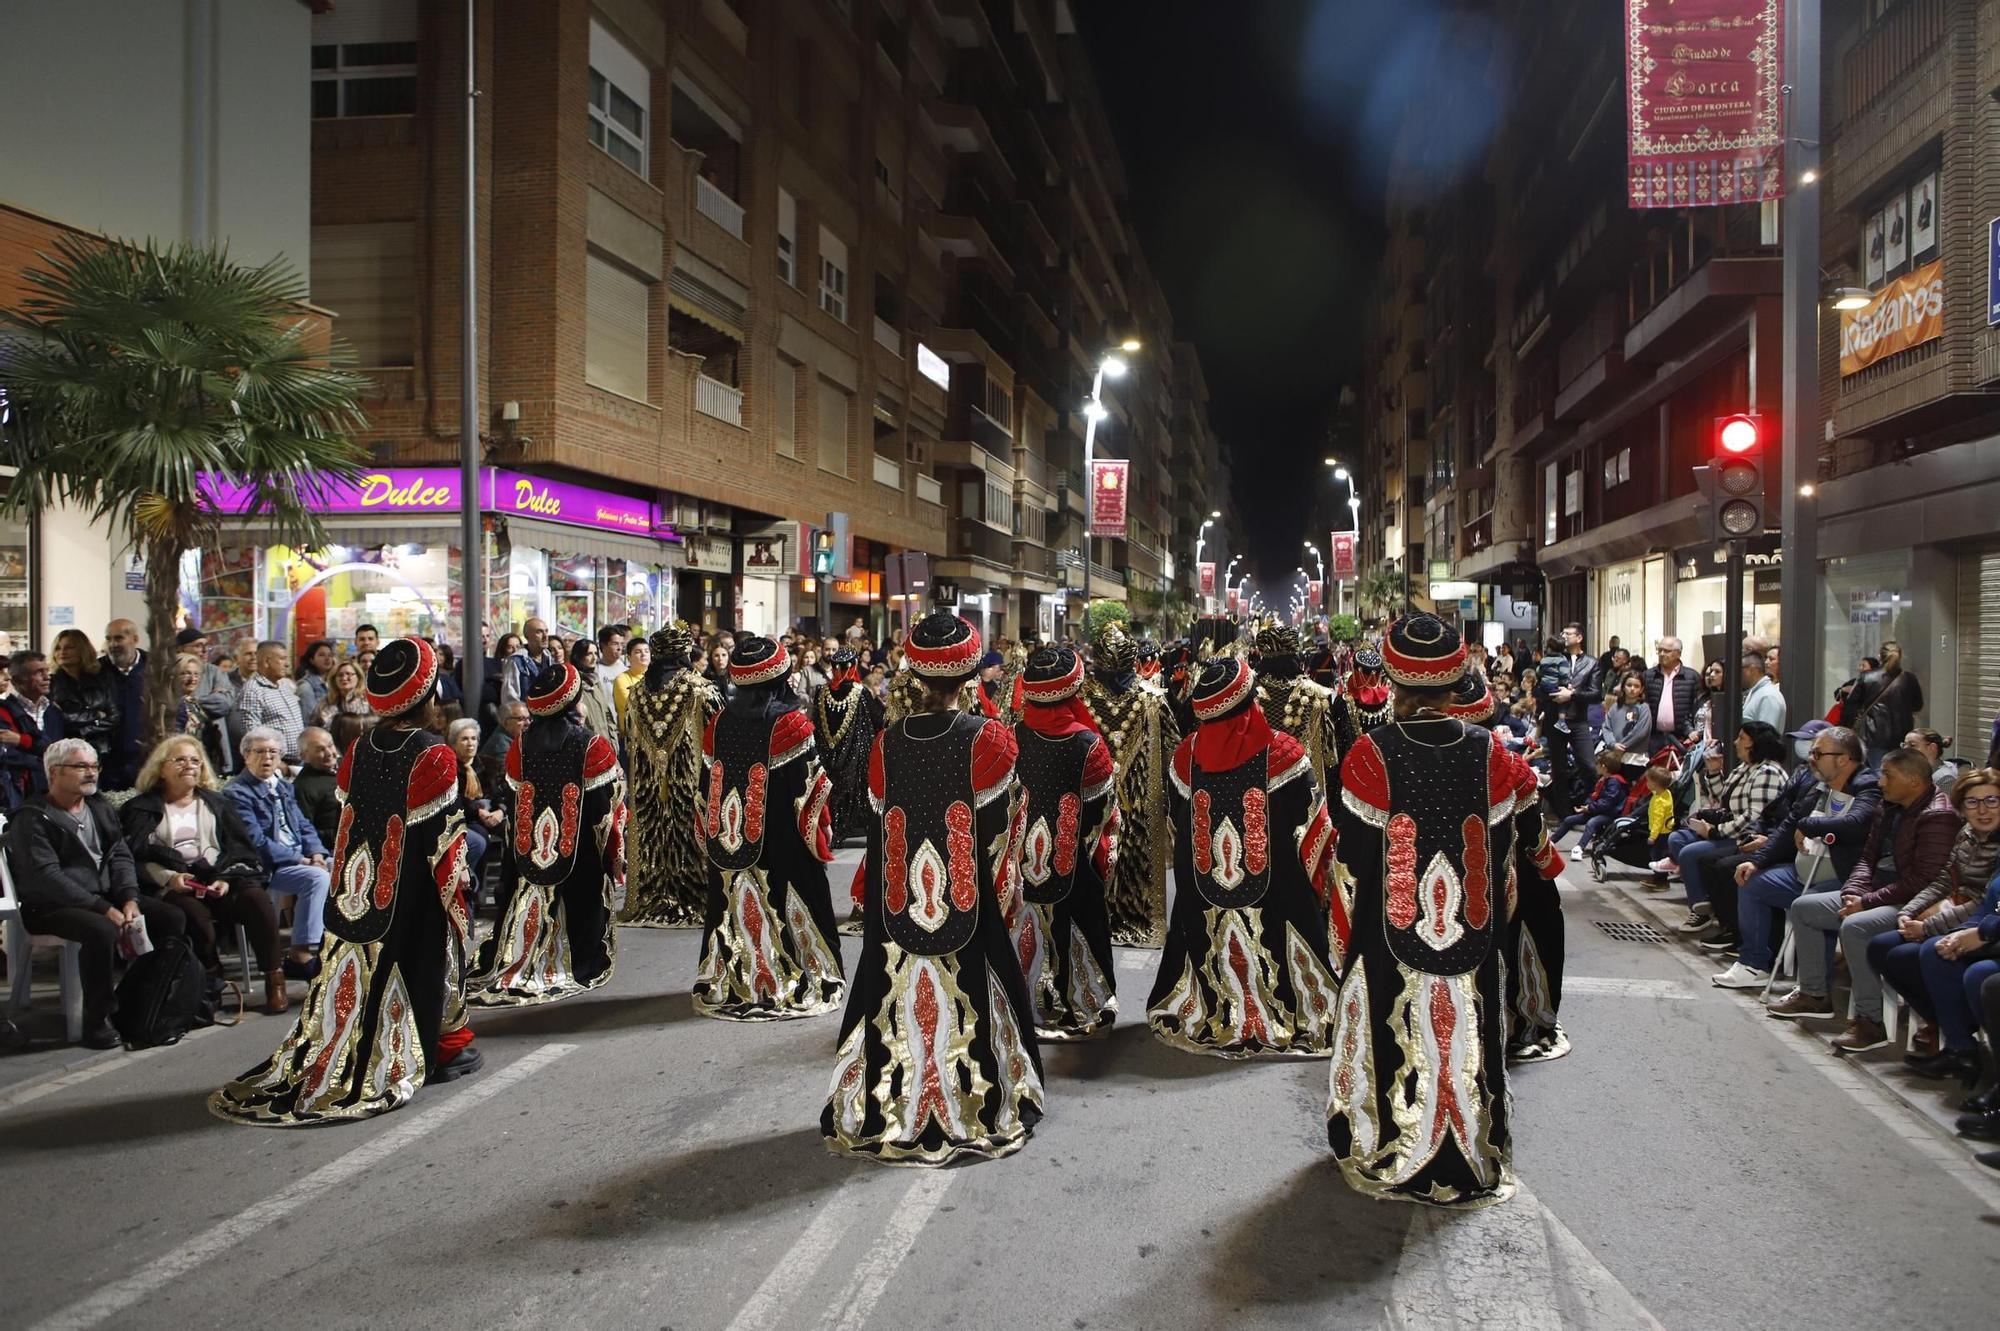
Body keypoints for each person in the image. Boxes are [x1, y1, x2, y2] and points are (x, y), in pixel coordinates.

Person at [212, 639, 481, 1125]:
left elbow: (348, 820)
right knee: (422, 964)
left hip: (358, 887)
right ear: (426, 696)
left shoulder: (360, 747)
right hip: (412, 888)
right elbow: (443, 841)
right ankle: (429, 1049)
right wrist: (458, 893)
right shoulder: (432, 753)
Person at [822, 612, 1043, 1164]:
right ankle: (975, 1095)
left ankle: (893, 1096)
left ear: (915, 676)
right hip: (968, 893)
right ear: (970, 676)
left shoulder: (887, 742)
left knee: (891, 990)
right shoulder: (989, 739)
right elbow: (1002, 835)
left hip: (898, 894)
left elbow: (877, 825)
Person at [1326, 614, 1531, 1208]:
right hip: (1471, 924)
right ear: (1454, 681)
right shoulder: (1490, 751)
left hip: (1386, 925)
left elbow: (1352, 860)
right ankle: (1473, 1146)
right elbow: (1505, 857)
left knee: (1391, 1025)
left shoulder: (1370, 754)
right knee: (1467, 1030)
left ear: (1393, 680)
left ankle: (1390, 1136)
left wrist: (1345, 937)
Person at [1148, 655, 1338, 1058]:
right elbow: (1315, 838)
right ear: (1250, 702)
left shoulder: (1185, 758)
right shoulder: (1285, 754)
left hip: (1202, 901)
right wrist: (1317, 895)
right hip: (1281, 901)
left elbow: (1177, 831)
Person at [688, 638, 843, 1020]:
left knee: (732, 902)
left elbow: (705, 785)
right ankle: (798, 972)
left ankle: (736, 973)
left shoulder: (720, 722)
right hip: (783, 837)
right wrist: (820, 835)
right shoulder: (790, 724)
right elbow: (812, 790)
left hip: (730, 835)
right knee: (794, 898)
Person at [3, 738, 189, 1048]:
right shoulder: (33, 816)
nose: (91, 773)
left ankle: (146, 1003)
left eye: (94, 767)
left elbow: (120, 855)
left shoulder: (98, 806)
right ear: (54, 772)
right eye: (81, 767)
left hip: (105, 897)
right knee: (101, 930)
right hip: (49, 906)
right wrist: (103, 907)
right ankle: (96, 1020)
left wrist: (129, 897)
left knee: (171, 916)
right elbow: (47, 878)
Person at [468, 663, 626, 1007]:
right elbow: (605, 808)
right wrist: (613, 853)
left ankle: (519, 953)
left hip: (529, 848)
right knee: (579, 907)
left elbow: (511, 798)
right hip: (578, 848)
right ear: (572, 703)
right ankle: (574, 958)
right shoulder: (590, 744)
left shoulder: (521, 746)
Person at [1770, 746, 1960, 1021]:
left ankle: (1869, 1020)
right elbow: (1868, 858)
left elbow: (1923, 880)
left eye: (1887, 775)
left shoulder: (1938, 816)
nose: (1880, 781)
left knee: (1856, 926)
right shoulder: (1887, 806)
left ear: (1913, 781)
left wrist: (1866, 903)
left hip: (1914, 903)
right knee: (1803, 907)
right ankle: (1814, 995)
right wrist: (1853, 891)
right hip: (1875, 891)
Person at [120, 735, 288, 1014]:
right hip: (172, 885)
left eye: (195, 761)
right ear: (161, 768)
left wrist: (225, 878)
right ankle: (211, 982)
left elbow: (239, 848)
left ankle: (275, 980)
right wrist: (168, 877)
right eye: (180, 760)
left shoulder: (216, 803)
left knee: (257, 901)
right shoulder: (142, 809)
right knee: (194, 917)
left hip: (219, 879)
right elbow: (134, 858)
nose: (189, 766)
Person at [1008, 645, 1118, 1041]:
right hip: (1071, 865)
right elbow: (1102, 819)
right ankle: (1077, 999)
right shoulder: (1089, 745)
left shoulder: (1010, 735)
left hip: (1019, 862)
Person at [1716, 725, 1880, 988]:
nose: (1810, 758)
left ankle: (1814, 990)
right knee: (1751, 881)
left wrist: (1810, 826)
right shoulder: (1818, 786)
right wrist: (1757, 861)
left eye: (1818, 753)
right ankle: (1753, 963)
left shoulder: (1868, 785)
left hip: (1844, 877)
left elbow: (1856, 822)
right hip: (1804, 870)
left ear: (1843, 759)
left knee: (1810, 905)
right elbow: (1789, 825)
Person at [1850, 768, 2000, 1053]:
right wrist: (1909, 912)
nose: (1983, 810)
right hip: (1959, 912)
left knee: (1929, 951)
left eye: (1992, 801)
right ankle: (1943, 1022)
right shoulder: (1965, 835)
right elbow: (1945, 878)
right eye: (1972, 802)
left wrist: (1929, 928)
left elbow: (1985, 901)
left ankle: (1959, 1039)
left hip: (1974, 919)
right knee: (1882, 947)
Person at [1081, 622, 1180, 948]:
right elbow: (1174, 752)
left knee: (1096, 853)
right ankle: (1135, 918)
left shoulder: (1080, 696)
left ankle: (1097, 919)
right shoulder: (1151, 699)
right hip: (1139, 796)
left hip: (1094, 795)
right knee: (1133, 856)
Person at [621, 624, 717, 928]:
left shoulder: (636, 693)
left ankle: (651, 895)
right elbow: (718, 734)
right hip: (689, 780)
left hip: (647, 781)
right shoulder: (699, 688)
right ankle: (694, 895)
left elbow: (628, 739)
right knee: (687, 831)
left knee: (652, 831)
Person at [1877, 867, 2000, 1088]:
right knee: (1933, 951)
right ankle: (1960, 1049)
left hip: (1990, 938)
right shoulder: (1968, 839)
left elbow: (1981, 905)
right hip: (1983, 931)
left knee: (1980, 975)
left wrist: (1980, 936)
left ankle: (1993, 1077)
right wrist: (1960, 935)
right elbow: (1987, 907)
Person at [224, 726, 331, 981]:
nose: (268, 757)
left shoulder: (282, 786)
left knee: (345, 868)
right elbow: (256, 841)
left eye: (273, 752)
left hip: (300, 857)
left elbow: (303, 825)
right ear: (246, 756)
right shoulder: (236, 792)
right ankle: (301, 953)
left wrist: (315, 852)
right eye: (260, 751)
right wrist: (302, 860)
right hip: (267, 866)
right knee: (315, 879)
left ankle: (340, 946)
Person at [1665, 722, 1789, 930]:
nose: (1735, 742)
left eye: (1742, 738)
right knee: (1678, 839)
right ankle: (1706, 902)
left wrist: (1715, 831)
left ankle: (1705, 908)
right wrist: (1713, 773)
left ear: (1755, 744)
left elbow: (1753, 816)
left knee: (1691, 853)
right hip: (1729, 827)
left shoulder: (1768, 772)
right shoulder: (1744, 767)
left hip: (1745, 835)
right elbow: (1725, 801)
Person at [1252, 624, 1342, 804]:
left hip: (1258, 789)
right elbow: (1329, 755)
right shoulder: (1318, 694)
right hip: (1306, 789)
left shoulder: (1248, 694)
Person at [814, 648, 886, 850]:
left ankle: (830, 828)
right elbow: (879, 718)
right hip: (855, 753)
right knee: (853, 789)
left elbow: (815, 722)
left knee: (832, 789)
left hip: (827, 752)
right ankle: (846, 829)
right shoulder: (860, 691)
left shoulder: (821, 692)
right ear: (853, 667)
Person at [445, 717, 505, 893]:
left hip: (493, 813)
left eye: (474, 738)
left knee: (515, 832)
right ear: (453, 743)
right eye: (464, 739)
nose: (470, 743)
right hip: (467, 817)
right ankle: (474, 888)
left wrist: (500, 811)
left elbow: (502, 793)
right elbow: (455, 799)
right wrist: (479, 813)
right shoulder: (450, 767)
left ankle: (504, 885)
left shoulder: (489, 764)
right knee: (480, 835)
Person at [1840, 640, 1924, 768]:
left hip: (1873, 737)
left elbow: (1851, 706)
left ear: (1880, 656)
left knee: (1877, 773)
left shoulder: (1866, 677)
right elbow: (1918, 705)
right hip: (1902, 736)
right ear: (1900, 656)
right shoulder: (1909, 678)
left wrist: (1846, 731)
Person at [1548, 623, 1604, 804]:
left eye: (1568, 634)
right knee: (1558, 768)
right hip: (1555, 717)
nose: (1563, 636)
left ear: (1579, 638)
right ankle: (1562, 810)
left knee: (1588, 764)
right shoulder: (1554, 659)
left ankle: (1589, 803)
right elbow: (1541, 685)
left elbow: (1596, 694)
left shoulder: (1591, 663)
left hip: (1578, 720)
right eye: (1562, 633)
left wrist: (1571, 694)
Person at [2, 651, 66, 807]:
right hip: (18, 794)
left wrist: (21, 741)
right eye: (39, 672)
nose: (47, 677)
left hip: (52, 791)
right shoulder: (5, 711)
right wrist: (44, 762)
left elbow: (57, 749)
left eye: (47, 671)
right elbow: (8, 756)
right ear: (18, 680)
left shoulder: (53, 711)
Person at [50, 628, 122, 767]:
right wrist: (96, 714)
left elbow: (114, 717)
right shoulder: (51, 683)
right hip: (67, 754)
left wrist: (83, 730)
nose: (62, 652)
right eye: (58, 648)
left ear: (82, 650)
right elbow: (60, 717)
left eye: (69, 647)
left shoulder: (101, 679)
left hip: (102, 750)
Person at [232, 641, 306, 764]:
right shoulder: (253, 690)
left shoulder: (285, 685)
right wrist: (277, 764)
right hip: (277, 764)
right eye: (282, 659)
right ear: (267, 662)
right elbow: (252, 735)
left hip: (299, 762)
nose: (287, 664)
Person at [97, 619, 147, 790]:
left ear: (135, 639)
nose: (112, 644)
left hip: (146, 758)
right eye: (108, 639)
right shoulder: (96, 670)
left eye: (118, 638)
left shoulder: (155, 668)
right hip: (108, 760)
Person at [1556, 750, 1629, 849]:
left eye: (1597, 764)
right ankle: (1551, 841)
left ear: (1603, 767)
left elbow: (1607, 802)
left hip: (1610, 813)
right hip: (1597, 810)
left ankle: (1579, 848)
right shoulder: (1604, 780)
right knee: (1569, 820)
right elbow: (1595, 796)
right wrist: (1586, 807)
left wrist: (1589, 808)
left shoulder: (1614, 783)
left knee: (1592, 823)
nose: (1596, 766)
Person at [1642, 637, 1699, 754]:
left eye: (1667, 651)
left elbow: (1697, 707)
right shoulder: (1648, 676)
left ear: (1678, 653)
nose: (1662, 654)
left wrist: (1690, 731)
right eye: (1660, 650)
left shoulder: (1691, 677)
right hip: (1654, 738)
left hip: (1681, 738)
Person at [292, 725, 342, 850]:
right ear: (304, 756)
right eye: (320, 750)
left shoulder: (348, 766)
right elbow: (306, 831)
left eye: (330, 746)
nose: (329, 753)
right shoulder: (303, 788)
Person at [1598, 672, 1653, 769]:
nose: (1632, 689)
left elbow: (1640, 732)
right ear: (1623, 687)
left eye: (1636, 686)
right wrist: (1613, 744)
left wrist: (1622, 746)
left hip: (1635, 758)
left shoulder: (1643, 708)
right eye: (1629, 685)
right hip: (1614, 756)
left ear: (1642, 689)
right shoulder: (1615, 707)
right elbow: (1606, 727)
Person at [567, 639, 618, 742]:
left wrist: (613, 741)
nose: (594, 658)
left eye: (595, 653)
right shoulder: (573, 683)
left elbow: (607, 713)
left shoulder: (596, 681)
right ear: (578, 657)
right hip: (587, 745)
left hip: (606, 744)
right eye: (589, 654)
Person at [502, 617, 559, 707]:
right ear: (527, 636)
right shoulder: (516, 661)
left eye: (546, 631)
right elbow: (510, 698)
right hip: (527, 717)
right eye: (539, 632)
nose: (545, 636)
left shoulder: (549, 659)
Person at [1741, 650, 1787, 734]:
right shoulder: (1755, 693)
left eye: (1741, 669)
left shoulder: (1768, 696)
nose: (1738, 674)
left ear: (1751, 669)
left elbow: (1766, 737)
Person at [612, 636, 651, 731]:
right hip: (631, 736)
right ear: (629, 657)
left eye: (646, 651)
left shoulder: (657, 676)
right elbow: (631, 704)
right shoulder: (622, 679)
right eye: (638, 652)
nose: (643, 654)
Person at [1906, 727, 1958, 797]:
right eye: (1904, 745)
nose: (1905, 749)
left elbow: (1949, 806)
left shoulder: (1945, 779)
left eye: (1912, 745)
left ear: (1932, 748)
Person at [295, 639, 337, 722]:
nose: (327, 658)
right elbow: (309, 719)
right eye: (321, 655)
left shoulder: (334, 681)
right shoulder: (306, 686)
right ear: (312, 660)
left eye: (330, 655)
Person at [595, 623, 630, 704]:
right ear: (603, 645)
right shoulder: (595, 670)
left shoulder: (626, 671)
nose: (619, 648)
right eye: (615, 644)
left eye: (621, 644)